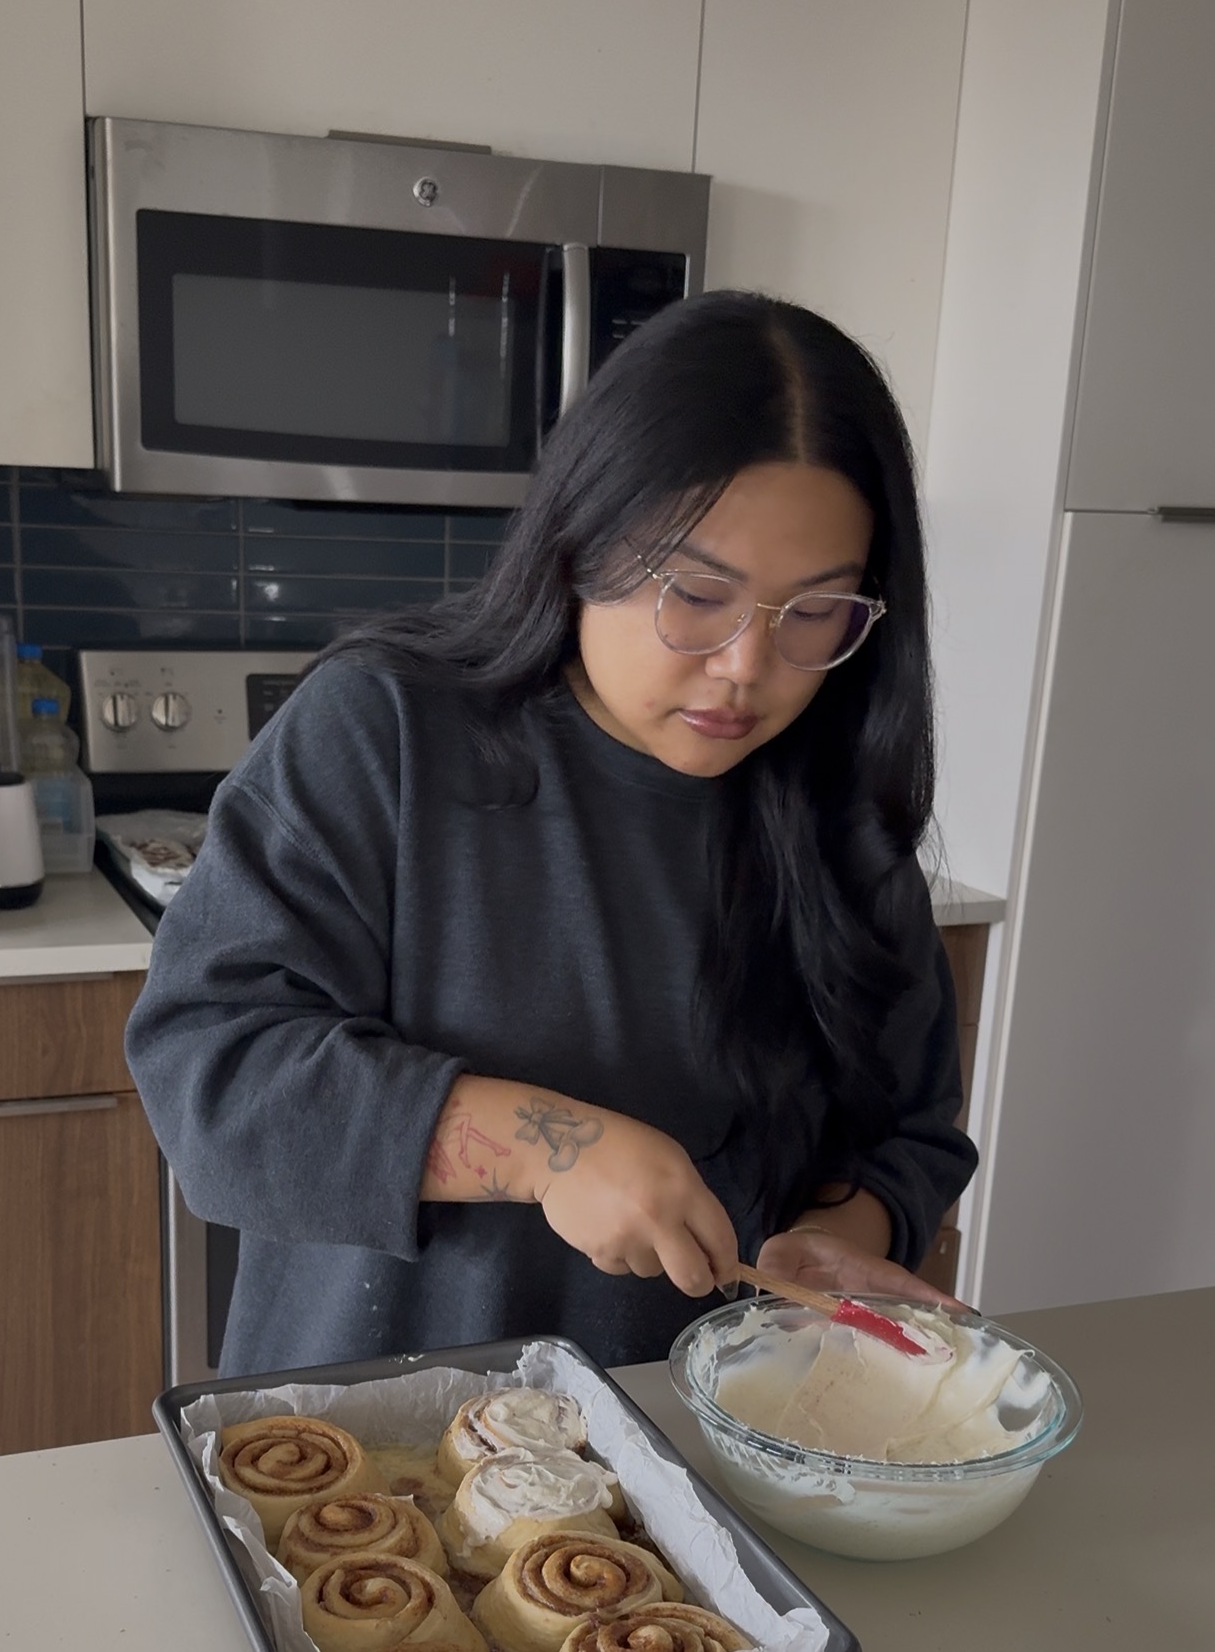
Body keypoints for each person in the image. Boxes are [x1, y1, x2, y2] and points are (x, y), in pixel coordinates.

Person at [125, 291, 976, 1376]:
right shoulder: (385, 731)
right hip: (371, 1475)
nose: (748, 669)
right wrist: (545, 1147)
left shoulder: (832, 799)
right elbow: (215, 1077)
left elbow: (908, 1129)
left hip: (690, 1466)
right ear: (582, 538)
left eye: (816, 611)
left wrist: (834, 1241)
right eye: (699, 593)